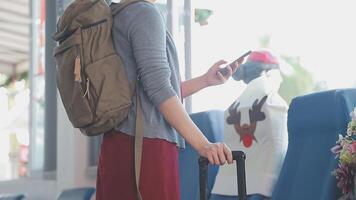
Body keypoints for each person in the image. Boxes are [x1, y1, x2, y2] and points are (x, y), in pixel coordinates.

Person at [96, 0, 243, 200]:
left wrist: (205, 81)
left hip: (118, 144)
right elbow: (158, 89)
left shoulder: (118, 14)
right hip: (146, 148)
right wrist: (203, 145)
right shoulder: (145, 13)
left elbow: (145, 92)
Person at [210, 50, 289, 200]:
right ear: (270, 72)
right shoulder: (274, 102)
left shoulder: (231, 108)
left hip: (222, 191)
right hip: (262, 191)